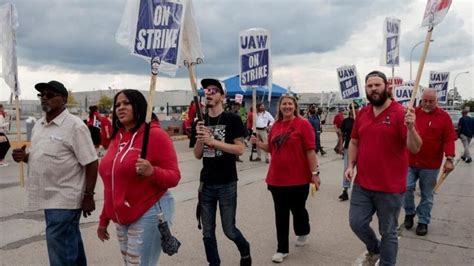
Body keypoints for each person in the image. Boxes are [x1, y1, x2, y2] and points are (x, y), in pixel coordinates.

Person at [12, 80, 98, 266]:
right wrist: (24, 157)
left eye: (49, 95)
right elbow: (42, 158)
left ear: (64, 99)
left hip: (65, 199)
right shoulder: (39, 125)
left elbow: (91, 161)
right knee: (70, 246)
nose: (44, 98)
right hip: (48, 198)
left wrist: (89, 195)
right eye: (41, 95)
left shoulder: (75, 126)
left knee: (61, 254)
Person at [345, 71, 422, 266]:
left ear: (386, 87)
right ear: (366, 89)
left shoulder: (400, 114)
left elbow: (415, 147)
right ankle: (374, 248)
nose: (374, 89)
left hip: (390, 188)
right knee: (357, 223)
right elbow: (354, 141)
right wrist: (351, 165)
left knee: (388, 231)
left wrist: (411, 128)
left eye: (377, 85)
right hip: (363, 184)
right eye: (370, 86)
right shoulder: (363, 113)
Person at [96, 89, 181, 265]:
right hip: (121, 215)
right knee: (130, 263)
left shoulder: (156, 135)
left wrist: (153, 172)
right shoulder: (117, 138)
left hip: (148, 211)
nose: (120, 108)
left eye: (126, 103)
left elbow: (174, 177)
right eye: (117, 105)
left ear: (139, 106)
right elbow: (111, 184)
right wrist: (104, 219)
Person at [251, 95, 321, 263]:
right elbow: (273, 149)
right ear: (280, 106)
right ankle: (282, 249)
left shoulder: (303, 124)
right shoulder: (275, 126)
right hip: (276, 179)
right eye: (284, 104)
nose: (287, 106)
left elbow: (310, 151)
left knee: (298, 210)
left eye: (290, 104)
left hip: (299, 179)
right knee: (280, 214)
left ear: (295, 106)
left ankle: (303, 231)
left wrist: (315, 173)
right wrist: (259, 144)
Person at [193, 78, 251, 266]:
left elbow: (240, 149)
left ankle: (245, 251)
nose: (208, 93)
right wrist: (201, 138)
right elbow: (197, 155)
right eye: (206, 91)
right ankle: (214, 263)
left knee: (229, 230)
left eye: (213, 90)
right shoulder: (201, 120)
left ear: (222, 96)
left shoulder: (232, 119)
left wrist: (214, 142)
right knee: (207, 231)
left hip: (227, 182)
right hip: (207, 183)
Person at [403, 88, 457, 236]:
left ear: (436, 101)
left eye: (430, 101)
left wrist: (450, 159)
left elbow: (449, 139)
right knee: (406, 188)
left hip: (430, 165)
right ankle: (409, 212)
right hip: (410, 161)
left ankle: (423, 221)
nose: (427, 104)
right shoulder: (413, 114)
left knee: (427, 194)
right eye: (424, 101)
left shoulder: (444, 117)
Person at [337, 109, 355, 201]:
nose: (353, 109)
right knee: (347, 168)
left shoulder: (360, 119)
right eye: (352, 107)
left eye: (356, 107)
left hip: (361, 147)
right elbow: (341, 134)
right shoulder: (346, 121)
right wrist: (340, 145)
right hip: (348, 147)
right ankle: (345, 190)